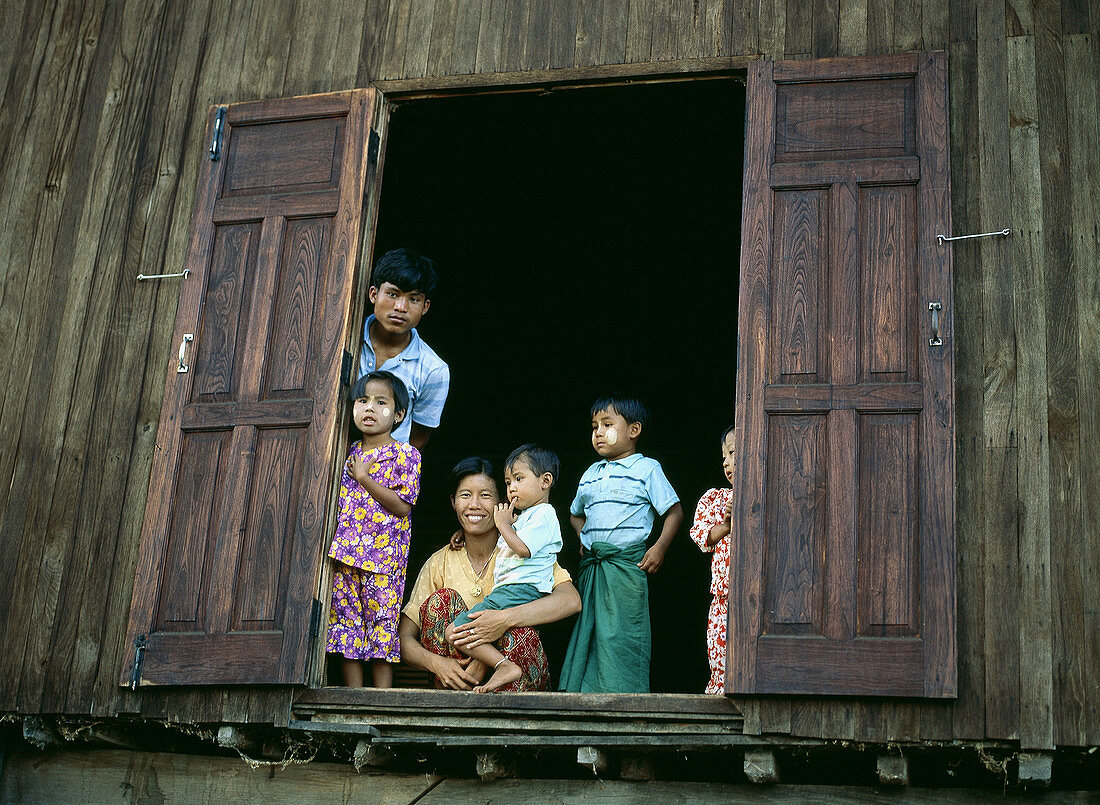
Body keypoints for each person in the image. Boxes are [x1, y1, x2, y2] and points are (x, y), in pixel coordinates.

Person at [399, 457, 580, 691]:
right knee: (441, 601)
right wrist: (438, 664)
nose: (474, 505)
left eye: (485, 495)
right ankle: (451, 709)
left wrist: (504, 621)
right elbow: (403, 640)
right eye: (465, 495)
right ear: (453, 502)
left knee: (520, 629)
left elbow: (571, 601)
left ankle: (511, 722)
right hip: (456, 679)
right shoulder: (439, 562)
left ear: (502, 503)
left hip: (513, 679)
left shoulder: (523, 552)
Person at [559, 394, 683, 693]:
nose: (598, 432)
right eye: (594, 426)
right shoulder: (590, 474)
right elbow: (576, 515)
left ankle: (625, 697)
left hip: (627, 568)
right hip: (593, 567)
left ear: (634, 430)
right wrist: (584, 539)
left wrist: (659, 548)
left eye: (607, 424)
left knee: (621, 635)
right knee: (589, 632)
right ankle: (584, 701)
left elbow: (674, 511)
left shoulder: (647, 469)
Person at [326, 371, 421, 687]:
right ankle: (354, 697)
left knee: (380, 625)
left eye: (381, 402)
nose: (369, 408)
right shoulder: (347, 450)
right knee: (347, 622)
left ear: (398, 414)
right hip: (345, 555)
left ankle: (382, 700)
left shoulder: (406, 454)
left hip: (384, 561)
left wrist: (365, 478)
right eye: (362, 401)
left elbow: (403, 506)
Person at [442, 445, 564, 692]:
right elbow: (508, 536)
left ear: (546, 481)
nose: (512, 488)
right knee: (465, 626)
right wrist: (464, 534)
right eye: (509, 482)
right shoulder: (528, 517)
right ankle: (487, 665)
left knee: (455, 630)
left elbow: (522, 549)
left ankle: (501, 666)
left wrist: (503, 525)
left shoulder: (545, 515)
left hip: (517, 592)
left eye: (518, 479)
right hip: (510, 592)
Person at [358, 248, 449, 450]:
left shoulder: (433, 370)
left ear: (425, 307)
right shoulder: (342, 340)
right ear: (374, 294)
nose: (401, 307)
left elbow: (417, 440)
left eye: (413, 299)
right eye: (392, 294)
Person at [689, 424, 736, 694]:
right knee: (721, 653)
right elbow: (701, 537)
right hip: (722, 596)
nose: (727, 463)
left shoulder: (770, 494)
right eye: (724, 457)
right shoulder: (717, 500)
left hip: (756, 595)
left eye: (733, 453)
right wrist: (727, 524)